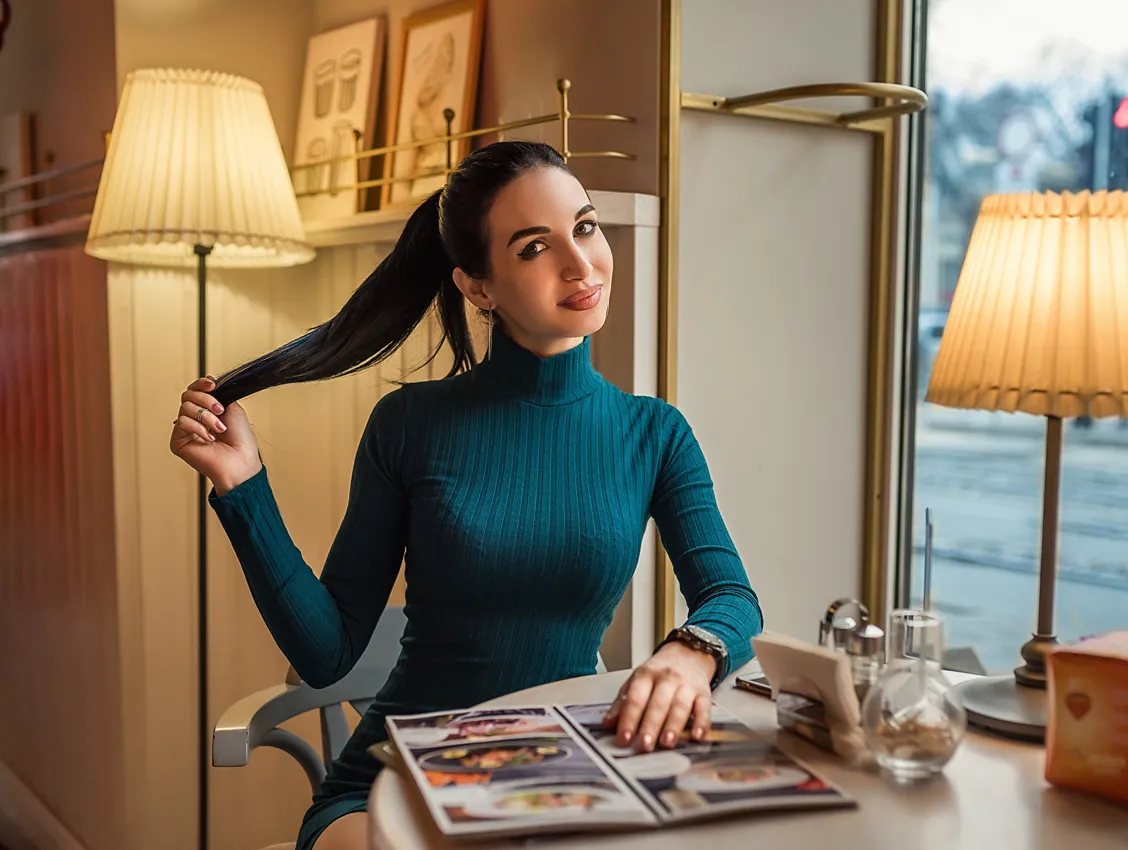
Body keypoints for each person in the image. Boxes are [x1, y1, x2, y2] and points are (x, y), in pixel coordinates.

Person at [169, 141, 763, 850]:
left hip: (561, 771)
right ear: (478, 287)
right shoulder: (409, 425)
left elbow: (733, 598)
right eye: (534, 247)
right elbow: (328, 654)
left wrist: (691, 651)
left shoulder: (656, 434)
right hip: (396, 780)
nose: (580, 264)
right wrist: (241, 486)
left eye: (585, 227)